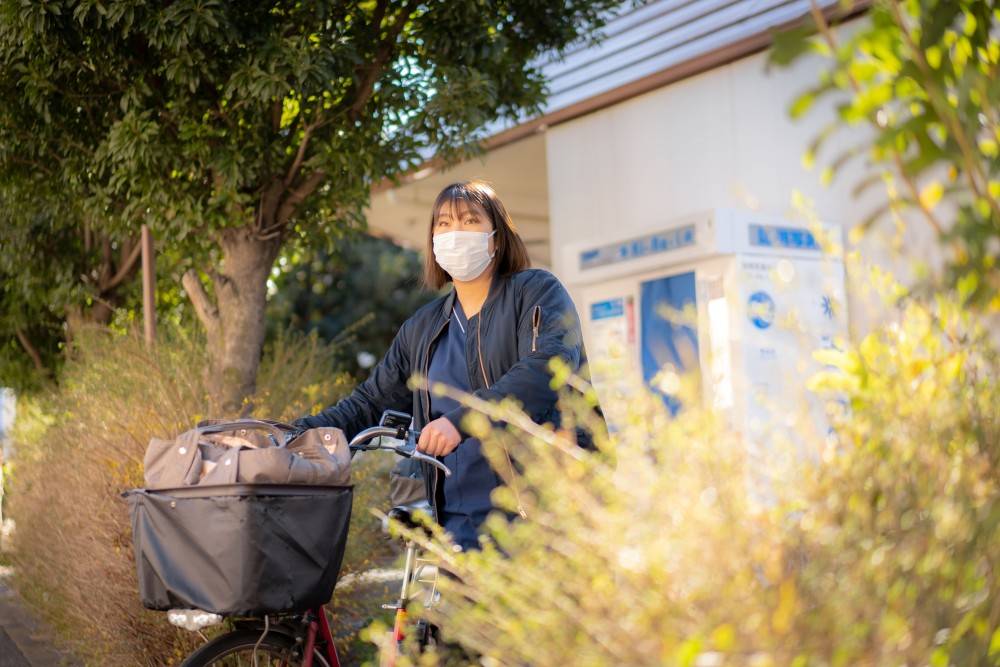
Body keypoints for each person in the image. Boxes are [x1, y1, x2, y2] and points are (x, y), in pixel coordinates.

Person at [292, 179, 603, 551]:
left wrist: (460, 421)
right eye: (444, 224)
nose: (455, 233)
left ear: (497, 238)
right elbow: (369, 405)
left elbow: (546, 367)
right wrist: (291, 437)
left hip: (544, 515)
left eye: (471, 221)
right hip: (456, 525)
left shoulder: (536, 291)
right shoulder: (422, 328)